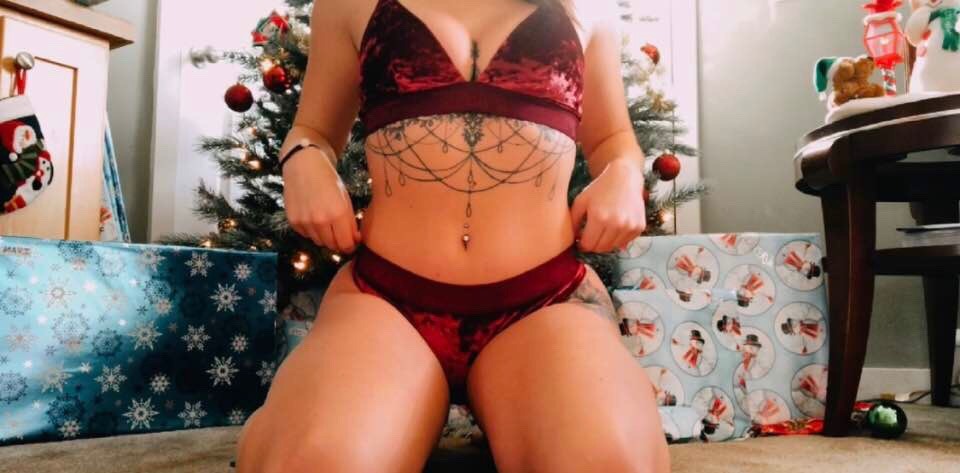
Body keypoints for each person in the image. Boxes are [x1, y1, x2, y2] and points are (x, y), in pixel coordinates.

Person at [236, 0, 668, 471]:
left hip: (546, 301)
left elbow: (614, 139)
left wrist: (625, 174)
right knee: (315, 462)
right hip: (386, 301)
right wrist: (303, 159)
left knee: (605, 462)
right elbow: (313, 130)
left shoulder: (589, 6)